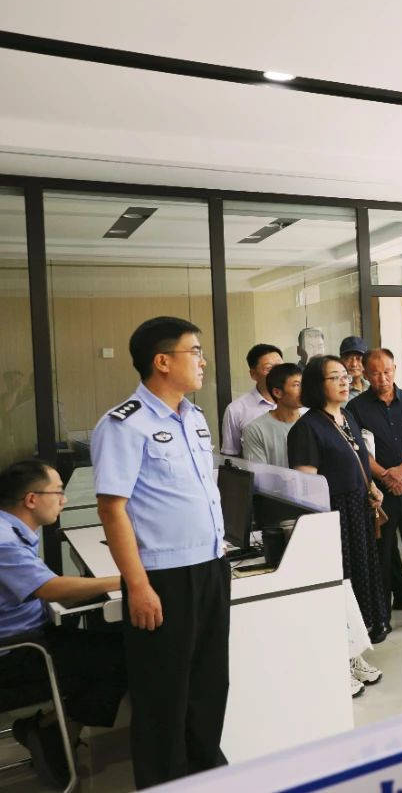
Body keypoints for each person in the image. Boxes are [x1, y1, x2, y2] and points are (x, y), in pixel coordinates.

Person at [91, 316, 229, 788]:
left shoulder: (195, 417)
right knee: (163, 697)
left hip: (211, 566)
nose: (203, 361)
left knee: (209, 686)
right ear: (163, 361)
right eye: (195, 352)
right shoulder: (123, 424)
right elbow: (112, 509)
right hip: (164, 577)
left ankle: (205, 776)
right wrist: (138, 585)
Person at [0, 459, 127, 789]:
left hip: (29, 635)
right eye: (57, 492)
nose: (65, 499)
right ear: (32, 499)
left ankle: (51, 727)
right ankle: (52, 730)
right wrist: (128, 579)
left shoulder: (10, 529)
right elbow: (50, 588)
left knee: (110, 636)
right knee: (123, 656)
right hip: (18, 652)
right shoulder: (4, 542)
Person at [287, 356, 390, 648]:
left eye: (345, 376)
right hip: (334, 515)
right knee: (342, 578)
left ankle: (362, 638)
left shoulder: (347, 417)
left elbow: (358, 460)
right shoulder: (307, 427)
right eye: (335, 377)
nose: (345, 381)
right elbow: (306, 488)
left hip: (359, 509)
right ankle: (345, 648)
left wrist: (372, 487)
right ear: (316, 385)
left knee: (362, 573)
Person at [346, 348, 402, 625]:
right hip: (379, 494)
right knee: (381, 557)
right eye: (376, 373)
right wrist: (386, 476)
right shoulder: (355, 408)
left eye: (387, 371)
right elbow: (357, 448)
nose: (383, 378)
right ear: (366, 374)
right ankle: (382, 618)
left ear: (395, 369)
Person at [220, 343, 284, 456]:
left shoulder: (300, 404)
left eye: (280, 367)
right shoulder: (236, 410)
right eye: (268, 368)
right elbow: (231, 455)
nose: (277, 373)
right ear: (253, 374)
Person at [240, 363, 304, 467]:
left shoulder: (312, 424)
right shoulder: (255, 430)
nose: (304, 390)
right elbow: (259, 474)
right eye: (297, 385)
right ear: (277, 392)